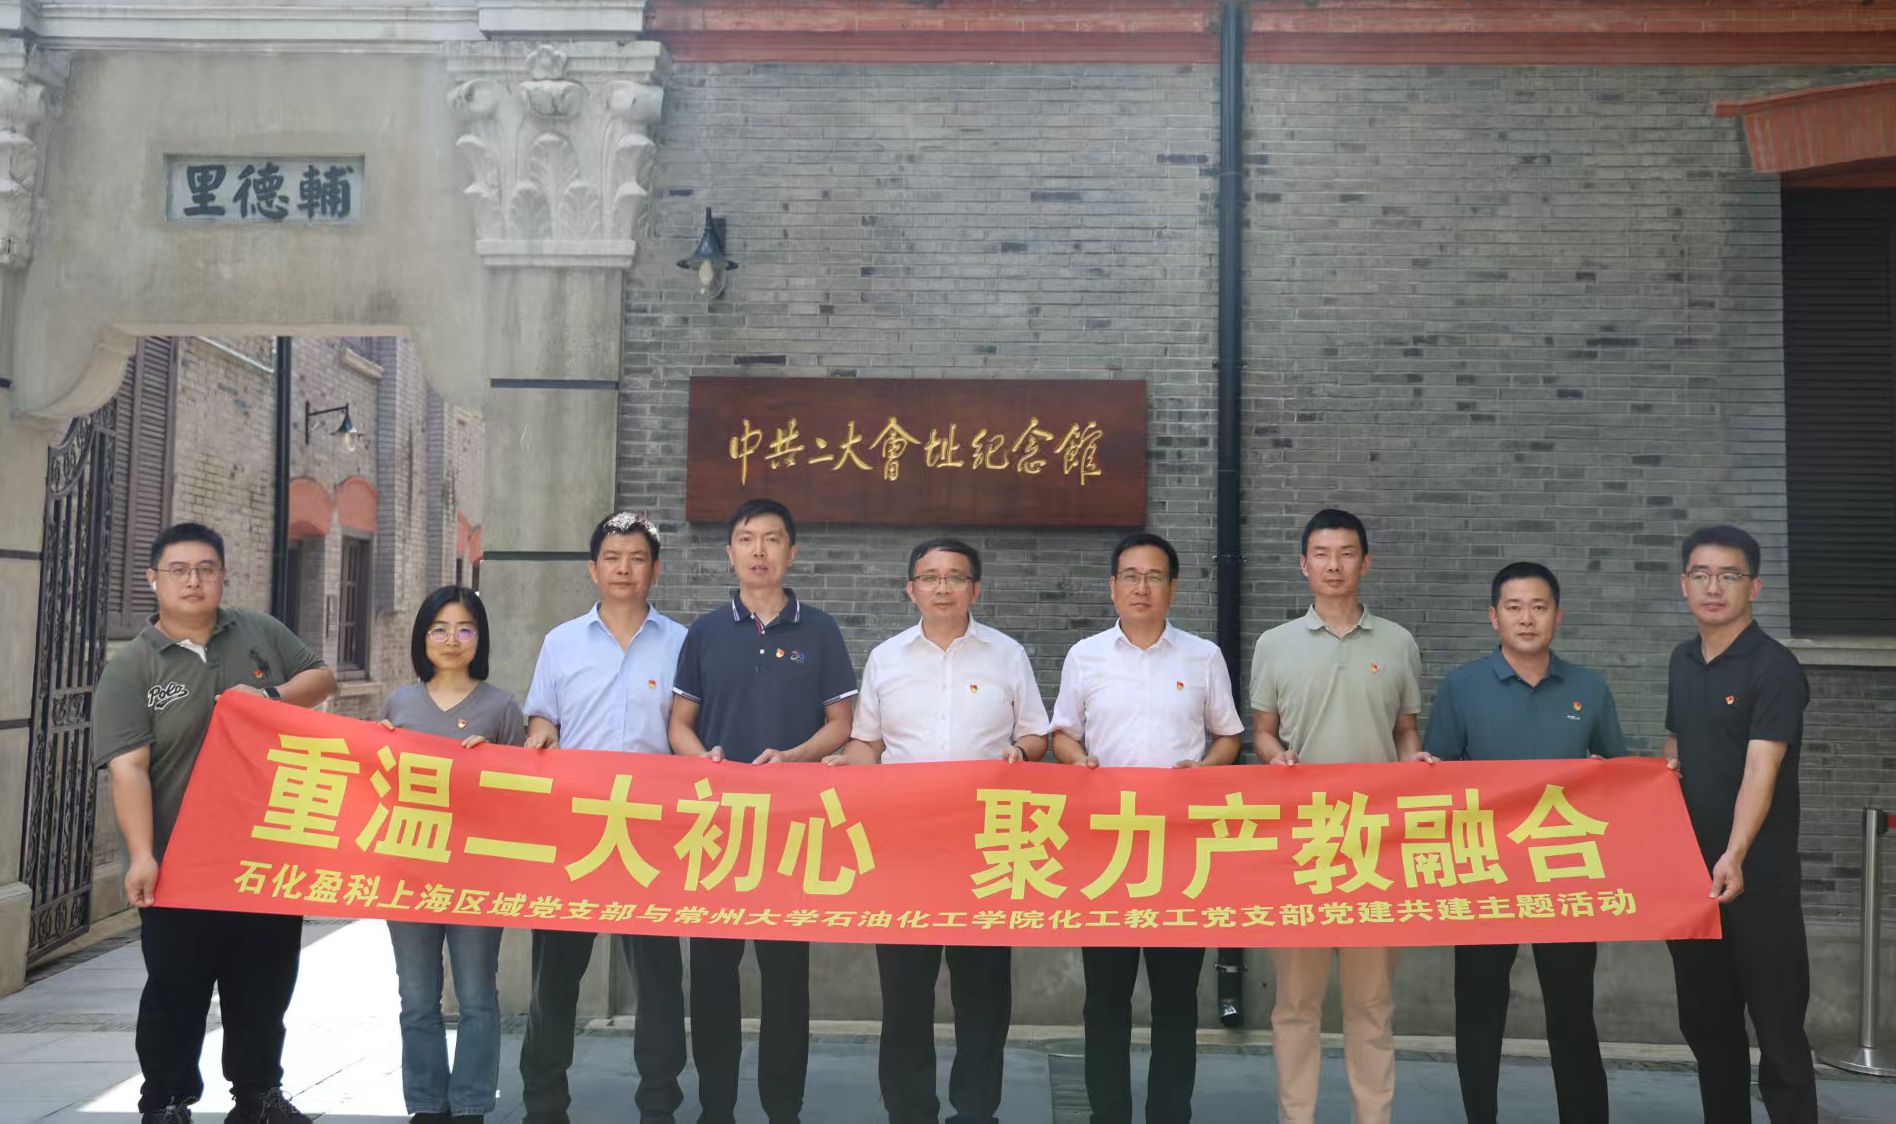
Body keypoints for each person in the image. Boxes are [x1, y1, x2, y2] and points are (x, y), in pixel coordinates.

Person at [93, 522, 337, 1124]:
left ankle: (257, 1096)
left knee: (264, 987)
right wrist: (143, 854)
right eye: (178, 570)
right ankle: (166, 1101)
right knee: (177, 990)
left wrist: (270, 698)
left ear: (224, 575)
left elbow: (321, 678)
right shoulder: (133, 668)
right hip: (181, 861)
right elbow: (129, 769)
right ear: (153, 579)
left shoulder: (257, 631)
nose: (193, 581)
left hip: (265, 854)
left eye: (206, 569)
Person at [830, 538, 1049, 1124]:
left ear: (975, 589)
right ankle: (910, 1110)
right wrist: (844, 765)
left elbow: (1036, 733)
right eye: (930, 577)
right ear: (912, 590)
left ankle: (976, 1110)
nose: (942, 587)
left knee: (983, 995)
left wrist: (1021, 754)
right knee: (905, 993)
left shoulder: (1007, 655)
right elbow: (868, 741)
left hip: (987, 848)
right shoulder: (887, 658)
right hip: (907, 848)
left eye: (955, 577)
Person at [669, 498, 856, 1124]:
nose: (759, 551)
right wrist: (704, 759)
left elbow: (841, 723)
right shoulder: (704, 632)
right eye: (747, 539)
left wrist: (796, 757)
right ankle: (715, 1107)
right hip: (717, 830)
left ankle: (784, 1109)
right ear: (730, 553)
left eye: (772, 539)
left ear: (791, 552)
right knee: (712, 979)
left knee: (786, 981)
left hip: (792, 830)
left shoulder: (819, 630)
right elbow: (679, 724)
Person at [1049, 531, 1244, 1124]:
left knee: (1176, 1000)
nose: (1142, 587)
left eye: (1154, 576)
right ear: (1113, 586)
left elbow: (1228, 736)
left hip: (1179, 853)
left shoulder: (1202, 656)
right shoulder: (1086, 656)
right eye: (1130, 576)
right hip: (1106, 852)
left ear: (1173, 588)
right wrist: (1077, 761)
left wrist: (1205, 769)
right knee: (1105, 999)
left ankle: (1169, 1113)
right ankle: (1107, 1113)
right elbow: (1062, 733)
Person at [1424, 561, 1624, 1124]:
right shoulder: (1463, 687)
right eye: (1514, 607)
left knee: (1573, 1011)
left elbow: (1620, 776)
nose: (1527, 618)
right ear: (1494, 617)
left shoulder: (1589, 688)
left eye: (1539, 607)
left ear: (1558, 615)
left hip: (1564, 871)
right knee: (1479, 1012)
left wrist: (1639, 775)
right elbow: (1438, 780)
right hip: (1485, 870)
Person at [1249, 508, 1424, 1124]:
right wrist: (1275, 756)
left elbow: (1405, 730)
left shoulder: (1398, 643)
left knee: (1371, 1004)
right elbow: (1262, 732)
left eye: (1346, 553)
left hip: (1376, 846)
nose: (1333, 565)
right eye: (1321, 554)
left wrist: (1414, 760)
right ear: (1304, 564)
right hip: (1302, 844)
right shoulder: (1274, 644)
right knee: (1296, 1004)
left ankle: (1372, 1117)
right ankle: (1297, 1116)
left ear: (1364, 562)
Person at [518, 512, 689, 1124]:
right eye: (613, 558)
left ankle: (659, 1104)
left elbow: (690, 730)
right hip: (576, 827)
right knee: (555, 976)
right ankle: (544, 1103)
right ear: (593, 568)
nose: (624, 568)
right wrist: (541, 733)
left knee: (659, 978)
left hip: (652, 829)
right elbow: (543, 715)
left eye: (637, 558)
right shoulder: (561, 642)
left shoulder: (682, 643)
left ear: (655, 570)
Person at [1663, 525, 1816, 1123]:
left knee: (1779, 1035)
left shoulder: (1774, 667)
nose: (1713, 588)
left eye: (1729, 576)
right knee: (1708, 1028)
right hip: (1692, 882)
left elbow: (1762, 768)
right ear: (1684, 585)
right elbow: (1676, 748)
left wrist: (1735, 852)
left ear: (1754, 587)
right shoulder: (1682, 660)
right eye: (1701, 575)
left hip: (1758, 881)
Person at [376, 585, 524, 1124]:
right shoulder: (399, 705)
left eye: (465, 628)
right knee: (417, 998)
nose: (451, 639)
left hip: (477, 877)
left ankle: (470, 1105)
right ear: (423, 637)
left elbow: (524, 797)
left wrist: (494, 764)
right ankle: (426, 1105)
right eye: (439, 628)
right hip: (409, 872)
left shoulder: (501, 706)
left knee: (477, 997)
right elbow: (376, 789)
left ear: (480, 638)